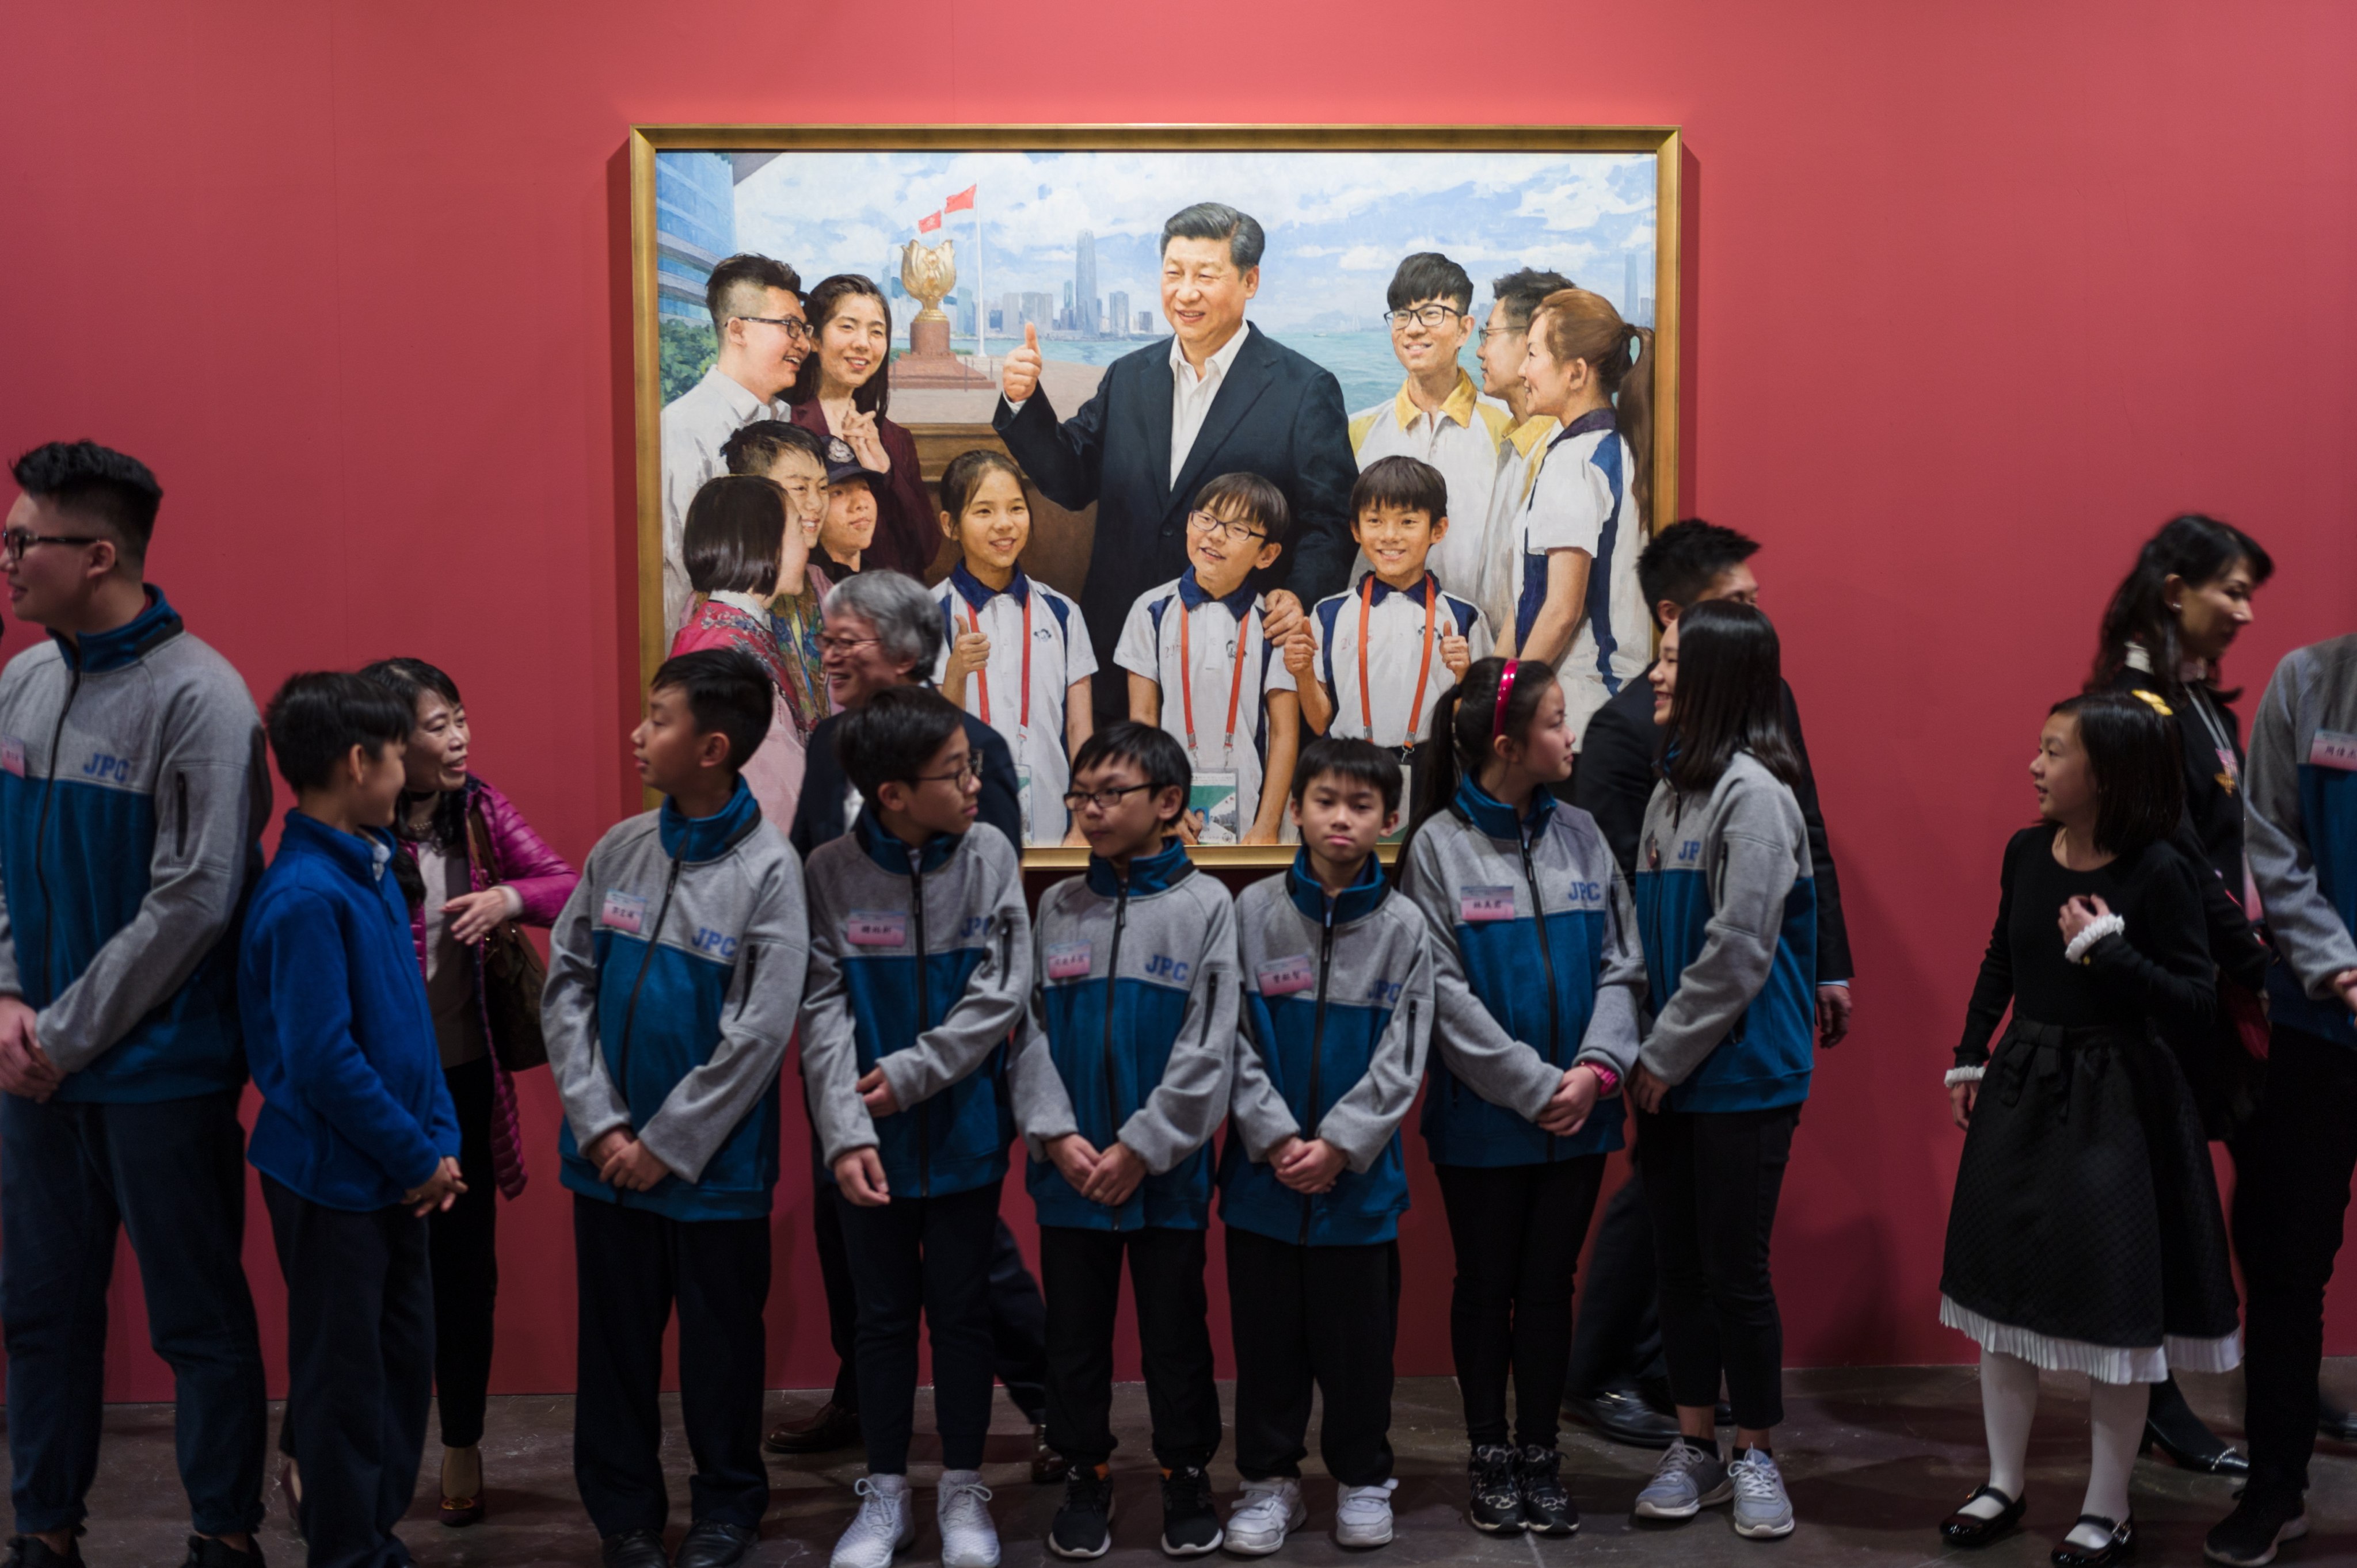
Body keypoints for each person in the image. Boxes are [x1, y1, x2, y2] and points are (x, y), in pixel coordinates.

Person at [0, 442, 272, 1568]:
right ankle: (42, 1533)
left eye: (25, 542)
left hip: (159, 1074)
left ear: (97, 554)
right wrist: (10, 992)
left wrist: (59, 1034)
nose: (8, 560)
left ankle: (222, 1537)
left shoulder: (203, 698)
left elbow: (194, 900)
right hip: (35, 1072)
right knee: (41, 1316)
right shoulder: (24, 680)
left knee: (198, 1322)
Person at [1563, 520, 1856, 1450]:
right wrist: (1646, 1044)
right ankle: (1631, 1387)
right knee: (1670, 1231)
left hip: (1732, 1052)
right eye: (1736, 609)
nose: (1758, 627)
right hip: (1664, 1034)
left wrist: (1828, 961)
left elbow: (1779, 875)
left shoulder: (1756, 759)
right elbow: (1630, 909)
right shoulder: (1630, 753)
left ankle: (1736, 1441)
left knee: (1727, 1264)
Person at [1936, 692, 2239, 1567]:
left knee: (2116, 1316)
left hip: (2119, 1102)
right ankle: (2002, 1481)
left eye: (2052, 750)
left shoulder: (2158, 872)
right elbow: (2002, 952)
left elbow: (2193, 1004)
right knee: (1999, 1304)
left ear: (2105, 773)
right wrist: (1968, 1052)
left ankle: (2107, 1508)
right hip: (2024, 1086)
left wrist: (2113, 952)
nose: (2033, 764)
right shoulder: (2026, 851)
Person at [776, 569, 1064, 1485]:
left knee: (973, 1260)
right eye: (828, 640)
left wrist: (928, 1059)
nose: (833, 655)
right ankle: (868, 1400)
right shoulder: (829, 741)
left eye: (849, 640)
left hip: (946, 1053)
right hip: (849, 1043)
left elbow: (993, 896)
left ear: (905, 650)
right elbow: (805, 867)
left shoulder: (971, 747)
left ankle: (1049, 1399)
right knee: (848, 1228)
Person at [544, 648, 810, 1568]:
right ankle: (623, 1515)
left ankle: (727, 1508)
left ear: (713, 746)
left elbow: (759, 1032)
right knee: (613, 1352)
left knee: (720, 1353)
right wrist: (601, 1124)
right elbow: (567, 984)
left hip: (713, 1174)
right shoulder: (619, 846)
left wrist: (665, 1142)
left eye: (657, 717)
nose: (637, 732)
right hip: (605, 1165)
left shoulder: (770, 871)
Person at [1396, 657, 1643, 1537]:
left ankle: (1540, 1453)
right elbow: (1441, 996)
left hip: (1580, 1117)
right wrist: (1535, 1087)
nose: (1569, 737)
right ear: (1507, 744)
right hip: (1483, 1124)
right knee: (1485, 1285)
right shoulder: (1434, 847)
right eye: (1554, 722)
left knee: (1549, 1288)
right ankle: (1488, 1452)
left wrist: (1593, 1072)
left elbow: (1624, 962)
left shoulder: (1581, 830)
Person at [334, 657, 577, 1529]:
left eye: (461, 716)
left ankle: (462, 1444)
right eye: (436, 725)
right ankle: (333, 1455)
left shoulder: (479, 811)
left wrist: (507, 896)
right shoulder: (354, 828)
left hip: (464, 1084)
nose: (459, 736)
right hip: (372, 1092)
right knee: (361, 1276)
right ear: (391, 742)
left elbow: (570, 884)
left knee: (465, 1274)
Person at [801, 688, 1033, 1568]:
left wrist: (912, 1071)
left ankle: (963, 1489)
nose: (974, 784)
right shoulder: (827, 871)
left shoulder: (990, 859)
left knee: (965, 1316)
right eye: (954, 772)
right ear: (890, 792)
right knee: (882, 1320)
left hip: (966, 1132)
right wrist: (844, 1130)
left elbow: (1001, 993)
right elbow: (818, 1009)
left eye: (970, 765)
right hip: (867, 1149)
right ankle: (887, 1494)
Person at [242, 670, 462, 1568]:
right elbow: (323, 1062)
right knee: (342, 1381)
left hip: (395, 1172)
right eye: (397, 749)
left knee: (402, 1365)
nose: (412, 762)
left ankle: (372, 1533)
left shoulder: (372, 865)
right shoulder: (303, 894)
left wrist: (440, 1139)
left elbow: (409, 1023)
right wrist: (418, 1157)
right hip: (336, 1178)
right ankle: (345, 1548)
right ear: (356, 761)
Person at [1009, 723, 1236, 1559]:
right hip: (1069, 1177)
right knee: (1073, 1335)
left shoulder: (1206, 907)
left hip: (1164, 1175)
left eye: (1111, 794)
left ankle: (1184, 1472)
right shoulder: (1058, 906)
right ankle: (1085, 1471)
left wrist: (1142, 1145)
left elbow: (1210, 1046)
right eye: (1082, 796)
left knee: (1176, 1331)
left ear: (1168, 804)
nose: (1092, 810)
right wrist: (1057, 1134)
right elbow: (1025, 1030)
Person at [995, 202, 1358, 723]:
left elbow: (1329, 521)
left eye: (1205, 275)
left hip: (1242, 645)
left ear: (1249, 280)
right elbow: (1071, 479)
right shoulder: (1128, 376)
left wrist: (1296, 599)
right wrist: (1022, 402)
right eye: (1173, 273)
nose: (1185, 292)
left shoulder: (1304, 389)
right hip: (1124, 641)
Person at [2090, 514, 2281, 1474]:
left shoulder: (2208, 707)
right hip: (2170, 990)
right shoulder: (2130, 707)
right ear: (2175, 590)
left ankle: (2280, 1377)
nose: (2246, 613)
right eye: (2232, 591)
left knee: (2275, 1182)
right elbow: (2172, 859)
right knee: (2158, 1200)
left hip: (2228, 982)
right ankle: (2158, 1400)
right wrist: (2247, 958)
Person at [1626, 600, 1817, 1542]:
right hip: (1669, 1078)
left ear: (1716, 683)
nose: (1656, 678)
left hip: (1740, 1080)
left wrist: (1658, 1056)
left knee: (1736, 1273)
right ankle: (1694, 1445)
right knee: (1680, 1269)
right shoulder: (1669, 795)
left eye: (1671, 663)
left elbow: (1740, 951)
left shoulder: (1758, 796)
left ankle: (1757, 1455)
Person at [1219, 738, 1435, 1556]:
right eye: (1324, 801)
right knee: (1266, 1343)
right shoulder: (1250, 913)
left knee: (1357, 1349)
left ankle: (1360, 1477)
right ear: (1298, 809)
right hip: (1261, 1182)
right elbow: (1228, 1039)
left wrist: (1341, 1146)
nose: (1340, 818)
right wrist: (1275, 1137)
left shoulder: (1406, 925)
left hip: (1359, 1186)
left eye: (1360, 805)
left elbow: (1404, 1053)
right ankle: (1269, 1483)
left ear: (1388, 818)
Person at [2204, 631, 2357, 1568]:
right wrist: (2339, 968)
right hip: (2315, 1031)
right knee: (2285, 1264)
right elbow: (2269, 841)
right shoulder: (2309, 684)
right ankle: (2276, 1489)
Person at [1290, 456, 1486, 817]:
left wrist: (1465, 678)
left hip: (1435, 770)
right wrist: (1303, 672)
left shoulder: (1464, 617)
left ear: (1438, 529)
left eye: (1408, 522)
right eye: (1375, 521)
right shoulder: (1329, 614)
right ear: (1356, 530)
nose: (1390, 535)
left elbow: (1473, 727)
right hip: (1350, 770)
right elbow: (1320, 722)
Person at [1114, 473, 1301, 846]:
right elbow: (1143, 721)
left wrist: (1267, 826)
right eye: (1207, 519)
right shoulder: (1150, 610)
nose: (1214, 535)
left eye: (1238, 529)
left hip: (1254, 822)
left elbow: (1284, 733)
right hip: (1171, 815)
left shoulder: (1273, 621)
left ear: (1267, 554)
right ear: (1189, 523)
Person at [1505, 288, 1654, 739]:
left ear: (1576, 373)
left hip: (1583, 714)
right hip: (1619, 708)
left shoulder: (1574, 462)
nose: (1522, 370)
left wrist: (1505, 702)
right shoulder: (1618, 448)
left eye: (1532, 354)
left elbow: (1561, 610)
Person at [932, 449, 1096, 844]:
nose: (1004, 525)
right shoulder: (927, 615)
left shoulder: (1062, 613)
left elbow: (1080, 729)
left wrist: (1083, 821)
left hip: (1055, 826)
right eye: (984, 511)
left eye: (1016, 508)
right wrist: (954, 674)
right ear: (950, 525)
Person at [1345, 253, 1514, 602]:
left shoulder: (1507, 426)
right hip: (1369, 638)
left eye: (1431, 313)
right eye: (1402, 315)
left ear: (1465, 329)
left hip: (1481, 641)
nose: (1413, 328)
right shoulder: (1359, 430)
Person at [660, 254, 808, 639]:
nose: (804, 344)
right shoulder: (681, 430)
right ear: (738, 330)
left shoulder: (785, 422)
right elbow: (675, 577)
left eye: (804, 329)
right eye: (790, 327)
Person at [672, 474, 821, 827]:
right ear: (767, 545)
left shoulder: (720, 628)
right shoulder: (728, 659)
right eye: (799, 531)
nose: (808, 544)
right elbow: (776, 794)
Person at [786, 273, 940, 578]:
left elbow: (926, 549)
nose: (863, 344)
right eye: (847, 326)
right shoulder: (785, 425)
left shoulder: (895, 438)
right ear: (814, 338)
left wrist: (887, 472)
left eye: (876, 332)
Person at [1471, 269, 1576, 639]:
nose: (1480, 350)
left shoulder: (1559, 453)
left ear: (1531, 342)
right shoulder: (1515, 439)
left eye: (1489, 334)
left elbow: (1553, 604)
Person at [719, 419, 835, 754]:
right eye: (800, 488)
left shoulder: (819, 584)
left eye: (824, 487)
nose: (816, 504)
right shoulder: (718, 609)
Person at [817, 440, 883, 580]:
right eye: (838, 493)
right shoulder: (808, 586)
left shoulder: (881, 583)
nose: (860, 504)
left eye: (864, 488)